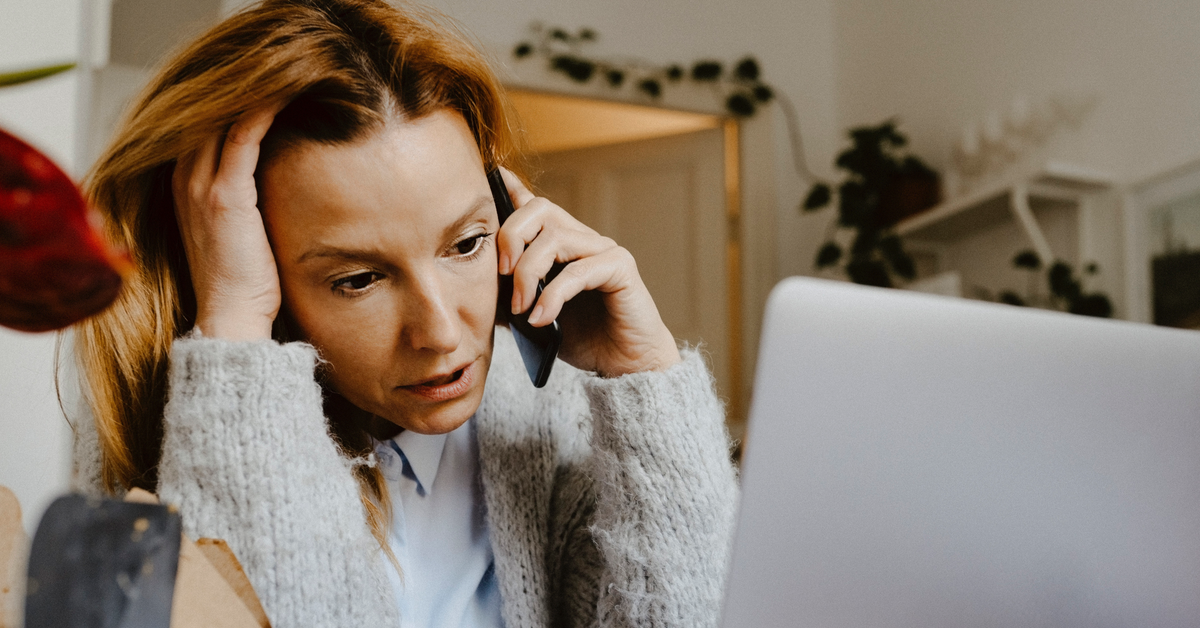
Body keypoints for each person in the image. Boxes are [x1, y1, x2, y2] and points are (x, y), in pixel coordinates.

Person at [71, 0, 739, 626]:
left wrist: (644, 380)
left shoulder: (547, 414)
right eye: (359, 279)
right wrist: (237, 333)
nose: (444, 334)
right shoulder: (179, 432)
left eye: (468, 243)